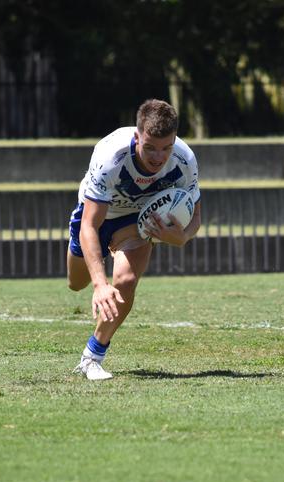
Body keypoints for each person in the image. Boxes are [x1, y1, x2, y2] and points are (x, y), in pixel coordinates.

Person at [67, 99, 201, 380]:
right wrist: (100, 284)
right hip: (100, 213)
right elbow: (90, 225)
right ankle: (101, 271)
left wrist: (183, 237)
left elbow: (196, 215)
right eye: (150, 147)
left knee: (125, 282)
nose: (158, 157)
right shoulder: (110, 156)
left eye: (166, 148)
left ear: (174, 139)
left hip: (138, 217)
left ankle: (92, 357)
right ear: (137, 136)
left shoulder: (184, 159)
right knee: (77, 283)